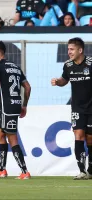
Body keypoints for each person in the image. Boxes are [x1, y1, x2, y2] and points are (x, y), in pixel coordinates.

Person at [0, 41, 31, 179]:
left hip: (7, 108)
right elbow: (28, 87)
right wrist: (24, 105)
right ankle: (2, 170)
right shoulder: (15, 66)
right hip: (15, 105)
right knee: (0, 134)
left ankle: (24, 171)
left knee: (12, 138)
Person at [51, 37, 92, 180]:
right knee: (78, 135)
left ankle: (91, 169)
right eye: (68, 49)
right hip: (77, 108)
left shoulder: (90, 63)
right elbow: (64, 80)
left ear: (80, 50)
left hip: (91, 107)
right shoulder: (68, 65)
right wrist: (58, 81)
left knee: (90, 139)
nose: (69, 52)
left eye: (72, 49)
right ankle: (82, 171)